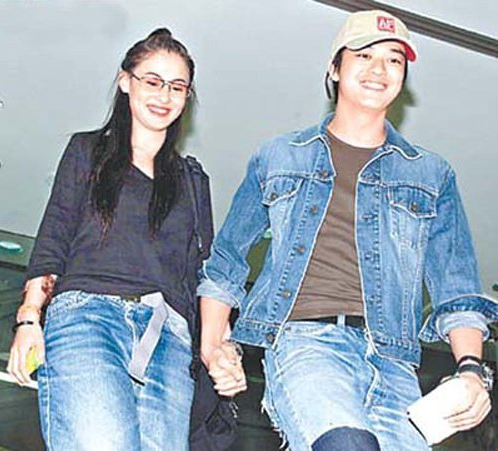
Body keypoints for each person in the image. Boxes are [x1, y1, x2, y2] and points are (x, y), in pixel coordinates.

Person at [197, 10, 497, 451]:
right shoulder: (280, 156)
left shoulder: (432, 174)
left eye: (394, 60)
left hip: (395, 362)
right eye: (364, 55)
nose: (379, 69)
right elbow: (225, 262)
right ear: (335, 69)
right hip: (306, 344)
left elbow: (457, 288)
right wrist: (213, 344)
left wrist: (471, 370)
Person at [8, 28, 217, 451]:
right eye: (152, 81)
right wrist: (29, 318)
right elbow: (53, 238)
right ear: (125, 81)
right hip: (88, 317)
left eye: (177, 86)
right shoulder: (87, 151)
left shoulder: (193, 181)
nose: (164, 95)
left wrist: (217, 346)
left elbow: (204, 276)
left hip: (170, 338)